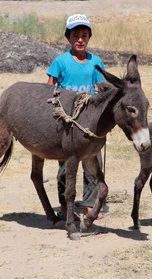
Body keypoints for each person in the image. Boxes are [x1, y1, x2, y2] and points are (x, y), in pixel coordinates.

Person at [47, 14, 107, 220]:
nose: (80, 39)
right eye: (75, 35)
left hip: (89, 122)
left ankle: (90, 205)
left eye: (84, 35)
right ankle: (65, 205)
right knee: (65, 166)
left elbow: (102, 88)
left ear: (89, 37)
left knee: (93, 164)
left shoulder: (95, 62)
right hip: (67, 122)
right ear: (68, 38)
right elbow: (47, 89)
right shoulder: (60, 62)